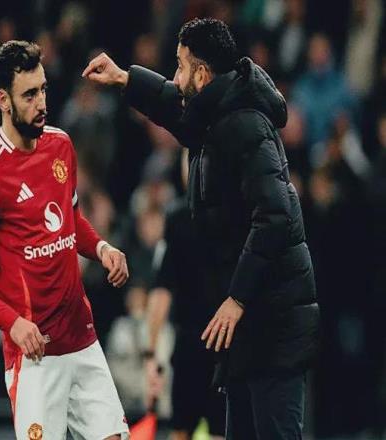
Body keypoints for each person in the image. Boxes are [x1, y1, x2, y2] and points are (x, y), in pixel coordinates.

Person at [83, 17, 319, 440]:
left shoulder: (246, 125)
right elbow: (173, 105)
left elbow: (276, 214)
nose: (176, 77)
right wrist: (124, 79)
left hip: (272, 322)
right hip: (249, 328)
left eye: (180, 66)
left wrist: (237, 298)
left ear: (203, 74)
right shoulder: (216, 116)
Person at [0, 40, 129, 440]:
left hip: (81, 337)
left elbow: (70, 218)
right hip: (35, 354)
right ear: (3, 100)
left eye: (43, 89)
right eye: (29, 95)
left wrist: (101, 248)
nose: (42, 103)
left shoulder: (61, 145)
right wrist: (12, 324)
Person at [145, 150, 226, 440]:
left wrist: (151, 354)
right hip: (218, 343)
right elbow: (162, 288)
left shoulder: (178, 218)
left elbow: (161, 290)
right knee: (214, 430)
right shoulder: (181, 218)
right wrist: (152, 353)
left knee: (185, 430)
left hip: (206, 343)